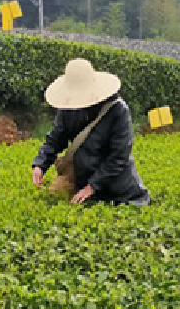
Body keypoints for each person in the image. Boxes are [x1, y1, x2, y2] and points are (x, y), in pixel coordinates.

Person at [31, 58, 150, 206]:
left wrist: (92, 186)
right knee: (54, 197)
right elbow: (56, 138)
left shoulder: (118, 111)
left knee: (116, 208)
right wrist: (40, 164)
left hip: (116, 184)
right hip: (81, 176)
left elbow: (119, 157)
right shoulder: (68, 107)